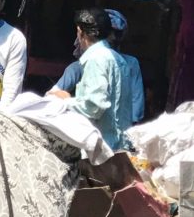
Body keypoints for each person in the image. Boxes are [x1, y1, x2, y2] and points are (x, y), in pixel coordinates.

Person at [49, 8, 132, 150]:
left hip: (102, 149)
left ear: (80, 32)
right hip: (118, 145)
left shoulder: (96, 59)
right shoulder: (117, 59)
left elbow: (94, 106)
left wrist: (65, 101)